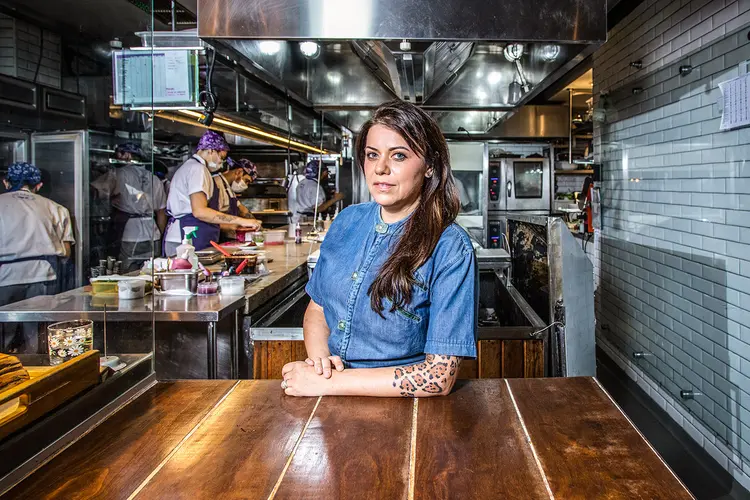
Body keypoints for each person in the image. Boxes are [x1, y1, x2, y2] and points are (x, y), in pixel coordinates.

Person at [281, 100, 477, 398]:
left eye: (398, 155)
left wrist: (328, 383)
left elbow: (439, 376)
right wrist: (320, 364)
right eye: (372, 155)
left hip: (406, 411)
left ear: (430, 167)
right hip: (332, 399)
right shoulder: (346, 221)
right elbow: (318, 309)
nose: (381, 168)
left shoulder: (450, 246)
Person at [0, 162, 74, 352]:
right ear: (38, 186)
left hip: (5, 276)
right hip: (43, 275)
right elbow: (66, 252)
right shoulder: (56, 208)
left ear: (6, 182)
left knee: (4, 333)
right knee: (37, 334)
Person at [163, 130, 260, 255]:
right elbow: (200, 211)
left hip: (190, 237)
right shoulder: (197, 169)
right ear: (211, 150)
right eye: (222, 157)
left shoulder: (194, 167)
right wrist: (241, 221)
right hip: (185, 240)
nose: (222, 162)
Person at [91, 143, 167, 272]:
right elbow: (161, 212)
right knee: (151, 273)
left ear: (127, 155)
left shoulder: (118, 174)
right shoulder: (154, 179)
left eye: (119, 153)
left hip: (129, 234)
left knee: (129, 273)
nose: (116, 157)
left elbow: (95, 191)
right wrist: (159, 232)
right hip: (152, 234)